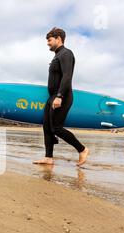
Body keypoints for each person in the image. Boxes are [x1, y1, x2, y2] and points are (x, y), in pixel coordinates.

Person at [33, 27, 89, 166]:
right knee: (46, 127)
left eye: (50, 40)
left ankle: (82, 150)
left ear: (59, 38)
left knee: (56, 128)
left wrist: (60, 96)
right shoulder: (57, 56)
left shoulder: (66, 53)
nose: (48, 43)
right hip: (52, 96)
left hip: (62, 96)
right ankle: (48, 158)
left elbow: (67, 76)